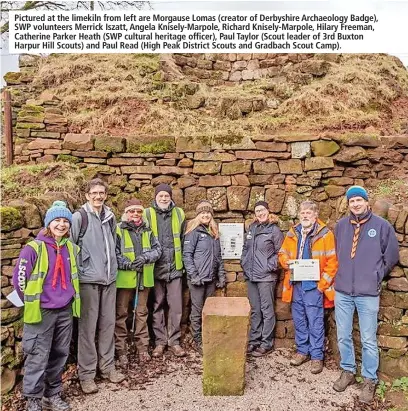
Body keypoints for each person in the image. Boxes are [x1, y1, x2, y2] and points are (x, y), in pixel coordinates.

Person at [333, 186, 399, 403]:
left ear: (367, 202)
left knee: (368, 339)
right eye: (352, 201)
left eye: (359, 200)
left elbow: (391, 255)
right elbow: (338, 252)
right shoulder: (341, 226)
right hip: (343, 291)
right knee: (343, 335)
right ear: (348, 204)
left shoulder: (381, 226)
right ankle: (348, 371)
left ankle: (369, 379)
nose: (356, 204)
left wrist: (376, 275)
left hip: (367, 292)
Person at [12, 201, 80, 411]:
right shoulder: (33, 248)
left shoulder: (71, 248)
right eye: (57, 220)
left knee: (59, 354)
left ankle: (53, 394)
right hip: (42, 311)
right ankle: (33, 398)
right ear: (48, 223)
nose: (61, 225)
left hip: (65, 309)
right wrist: (33, 302)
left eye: (65, 221)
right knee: (38, 355)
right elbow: (19, 280)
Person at [70, 178, 125, 394]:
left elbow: (112, 244)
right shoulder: (79, 217)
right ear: (87, 195)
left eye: (101, 192)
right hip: (88, 281)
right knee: (87, 329)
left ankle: (107, 367)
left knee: (108, 325)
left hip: (109, 279)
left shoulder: (110, 216)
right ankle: (86, 375)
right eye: (94, 193)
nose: (98, 196)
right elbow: (71, 247)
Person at [279, 200, 338, 374]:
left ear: (315, 215)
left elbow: (333, 263)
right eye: (303, 213)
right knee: (299, 320)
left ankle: (317, 356)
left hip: (314, 287)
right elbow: (282, 253)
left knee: (315, 321)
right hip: (295, 284)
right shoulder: (293, 232)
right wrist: (285, 262)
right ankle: (302, 351)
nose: (305, 215)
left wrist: (322, 285)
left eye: (308, 213)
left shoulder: (326, 234)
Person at [115, 199, 162, 366]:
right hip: (125, 280)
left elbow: (158, 250)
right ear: (126, 213)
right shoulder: (118, 230)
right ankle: (121, 350)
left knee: (141, 313)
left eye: (138, 211)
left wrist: (145, 258)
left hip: (144, 278)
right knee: (121, 315)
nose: (135, 214)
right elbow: (115, 252)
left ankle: (142, 347)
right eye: (132, 211)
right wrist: (127, 264)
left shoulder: (148, 230)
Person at [143, 184, 186, 357]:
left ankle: (174, 341)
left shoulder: (179, 213)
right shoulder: (147, 214)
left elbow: (183, 239)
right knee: (157, 305)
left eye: (166, 195)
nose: (163, 198)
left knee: (176, 306)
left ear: (170, 197)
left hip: (175, 267)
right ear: (155, 197)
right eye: (160, 195)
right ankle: (160, 342)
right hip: (155, 268)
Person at [241, 201, 283, 357]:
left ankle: (266, 343)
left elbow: (281, 253)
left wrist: (268, 266)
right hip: (251, 276)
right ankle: (254, 340)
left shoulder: (274, 230)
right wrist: (243, 262)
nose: (260, 213)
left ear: (268, 211)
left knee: (267, 310)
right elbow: (246, 248)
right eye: (257, 211)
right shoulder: (252, 228)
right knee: (255, 310)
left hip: (266, 277)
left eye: (262, 210)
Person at [183, 200, 226, 354]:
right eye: (202, 212)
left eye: (208, 212)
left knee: (209, 310)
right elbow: (187, 256)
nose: (206, 215)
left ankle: (207, 337)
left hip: (210, 279)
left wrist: (221, 276)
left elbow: (218, 257)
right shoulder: (193, 233)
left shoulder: (214, 233)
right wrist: (194, 275)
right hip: (197, 280)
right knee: (197, 310)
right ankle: (197, 340)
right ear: (198, 215)